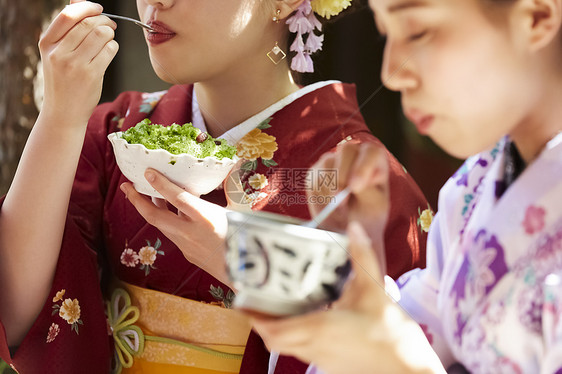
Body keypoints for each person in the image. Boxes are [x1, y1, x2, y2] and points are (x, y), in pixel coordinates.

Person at [0, 0, 430, 373]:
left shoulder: (367, 186)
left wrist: (255, 263)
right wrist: (60, 118)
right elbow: (20, 314)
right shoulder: (114, 134)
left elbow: (397, 355)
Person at [251, 0, 562, 372]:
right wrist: (358, 260)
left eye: (416, 32)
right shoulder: (473, 187)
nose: (390, 74)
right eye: (386, 34)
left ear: (536, 18)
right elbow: (416, 338)